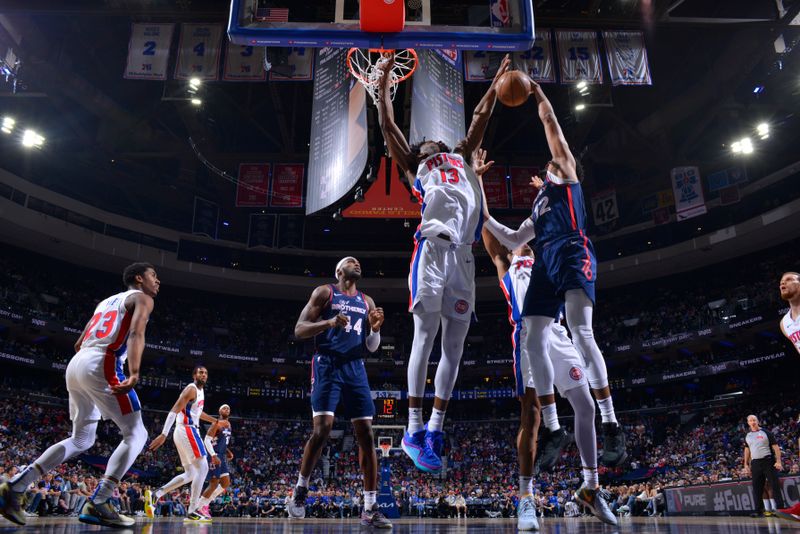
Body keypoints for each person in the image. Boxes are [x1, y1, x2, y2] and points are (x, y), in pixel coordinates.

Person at [478, 76, 627, 469]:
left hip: (574, 250)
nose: (549, 161)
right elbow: (510, 239)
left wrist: (538, 93)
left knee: (581, 331)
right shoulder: (541, 204)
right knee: (533, 336)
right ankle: (553, 427)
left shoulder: (566, 170)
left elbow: (550, 126)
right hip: (547, 260)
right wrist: (482, 199)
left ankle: (611, 422)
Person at [375, 52, 511, 472]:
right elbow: (388, 126)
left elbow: (480, 119)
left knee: (455, 347)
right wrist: (381, 87)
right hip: (433, 251)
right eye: (428, 140)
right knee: (425, 338)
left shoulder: (462, 154)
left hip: (464, 259)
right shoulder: (415, 164)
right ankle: (412, 429)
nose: (434, 137)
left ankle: (434, 427)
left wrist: (495, 84)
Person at [478, 185, 615, 528]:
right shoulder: (506, 265)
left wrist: (550, 193)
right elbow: (489, 229)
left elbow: (555, 225)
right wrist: (475, 183)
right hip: (528, 336)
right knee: (532, 416)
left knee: (584, 405)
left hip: (558, 332)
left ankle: (590, 487)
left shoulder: (545, 257)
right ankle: (526, 498)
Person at [0, 263, 158, 528]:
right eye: (154, 276)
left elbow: (78, 342)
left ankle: (15, 487)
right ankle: (100, 501)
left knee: (82, 439)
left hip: (77, 363)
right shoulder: (142, 298)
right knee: (136, 433)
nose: (158, 281)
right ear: (139, 278)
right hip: (101, 362)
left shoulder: (105, 303)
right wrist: (133, 372)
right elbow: (135, 333)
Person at [286, 257, 391, 528]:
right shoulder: (325, 292)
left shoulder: (366, 301)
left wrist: (376, 329)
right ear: (339, 271)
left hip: (355, 367)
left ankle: (370, 507)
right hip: (327, 364)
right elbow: (299, 329)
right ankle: (300, 490)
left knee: (367, 434)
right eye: (350, 261)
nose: (357, 263)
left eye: (359, 262)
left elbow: (370, 347)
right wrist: (329, 323)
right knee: (322, 430)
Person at [146, 366, 219, 523]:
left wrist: (214, 421)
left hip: (186, 431)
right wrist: (164, 433)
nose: (204, 375)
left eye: (206, 373)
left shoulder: (200, 392)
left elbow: (197, 413)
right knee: (204, 467)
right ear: (194, 375)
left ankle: (156, 494)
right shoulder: (191, 388)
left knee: (191, 473)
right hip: (187, 430)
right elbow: (174, 410)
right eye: (200, 372)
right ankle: (193, 510)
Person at [195, 404, 234, 517]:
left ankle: (204, 504)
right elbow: (207, 440)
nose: (227, 409)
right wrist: (213, 455)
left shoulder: (229, 424)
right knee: (214, 483)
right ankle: (199, 508)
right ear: (219, 411)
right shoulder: (216, 423)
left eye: (228, 408)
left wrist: (227, 451)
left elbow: (220, 441)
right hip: (214, 455)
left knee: (226, 482)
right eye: (224, 408)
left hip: (221, 455)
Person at [744, 414, 784, 517]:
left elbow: (776, 447)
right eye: (750, 421)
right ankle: (758, 511)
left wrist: (778, 461)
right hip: (755, 463)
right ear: (748, 423)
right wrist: (746, 464)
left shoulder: (766, 432)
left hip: (768, 461)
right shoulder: (748, 435)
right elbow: (747, 450)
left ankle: (780, 509)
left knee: (774, 485)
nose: (752, 422)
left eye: (754, 420)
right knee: (757, 488)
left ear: (758, 421)